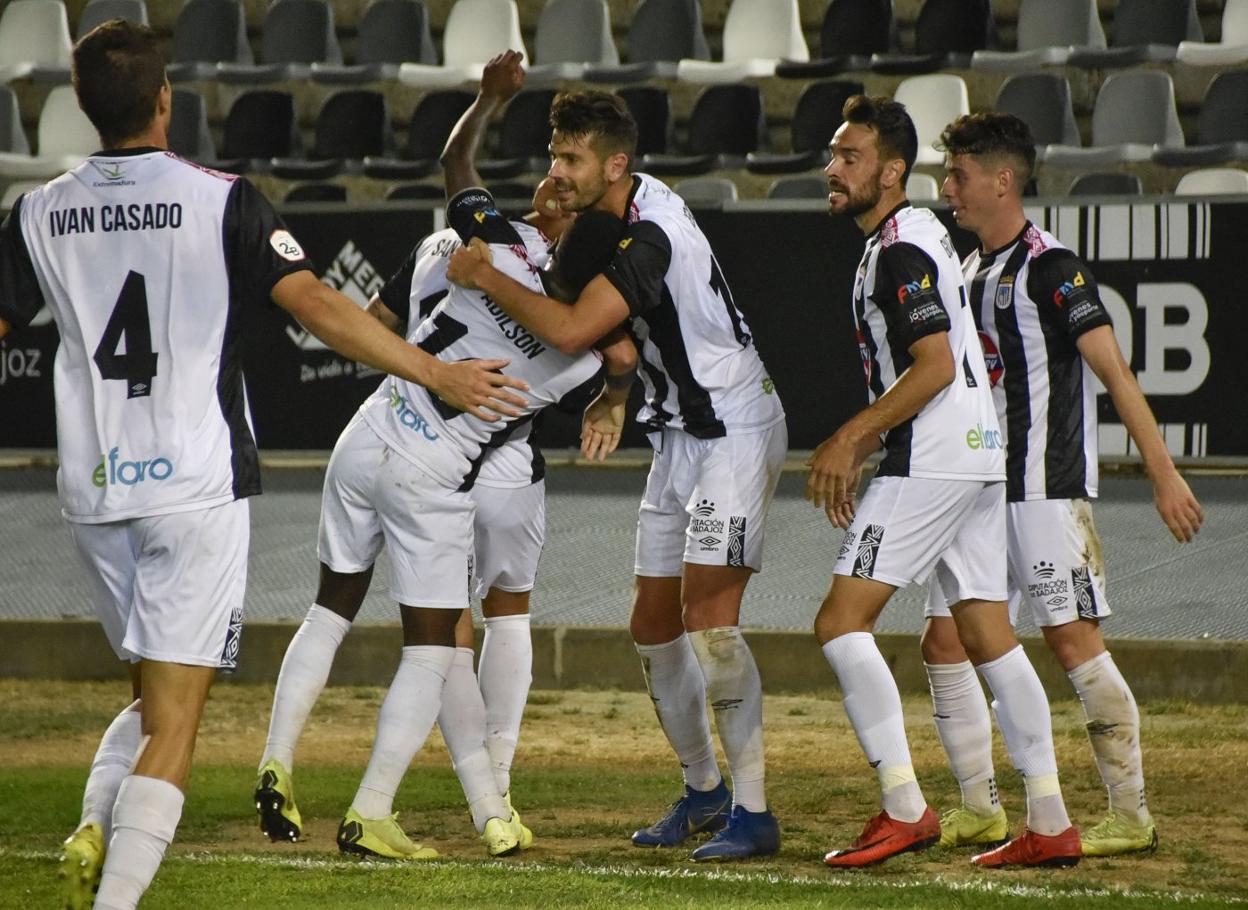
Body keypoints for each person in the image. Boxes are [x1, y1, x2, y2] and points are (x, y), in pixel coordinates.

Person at [0, 21, 528, 910]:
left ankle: (95, 819)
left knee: (153, 698)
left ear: (83, 106)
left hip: (93, 495)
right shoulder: (222, 201)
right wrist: (436, 372)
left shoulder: (36, 211)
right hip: (193, 486)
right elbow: (316, 304)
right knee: (178, 720)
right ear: (165, 99)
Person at [253, 52, 635, 854]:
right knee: (443, 643)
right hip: (441, 476)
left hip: (368, 433)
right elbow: (610, 351)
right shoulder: (581, 354)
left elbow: (456, 165)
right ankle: (385, 807)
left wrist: (488, 101)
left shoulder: (484, 242)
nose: (554, 189)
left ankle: (276, 758)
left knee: (330, 607)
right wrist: (617, 389)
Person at [447, 86, 788, 861]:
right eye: (553, 155)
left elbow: (572, 327)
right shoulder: (608, 216)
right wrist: (616, 394)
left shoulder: (651, 235)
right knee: (652, 624)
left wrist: (486, 277)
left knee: (710, 620)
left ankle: (755, 812)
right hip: (679, 434)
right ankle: (704, 791)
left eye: (571, 158)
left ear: (616, 164)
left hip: (733, 429)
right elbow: (614, 336)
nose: (556, 172)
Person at [810, 94, 1080, 869]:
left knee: (840, 623)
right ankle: (1051, 820)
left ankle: (905, 807)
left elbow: (931, 366)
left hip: (932, 456)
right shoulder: (922, 232)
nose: (833, 169)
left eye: (850, 157)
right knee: (989, 636)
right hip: (979, 453)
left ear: (892, 172)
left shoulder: (897, 250)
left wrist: (852, 437)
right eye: (834, 155)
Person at [926, 111, 1204, 857]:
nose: (947, 188)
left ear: (1002, 180)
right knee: (945, 641)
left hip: (1045, 490)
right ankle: (980, 808)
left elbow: (1116, 373)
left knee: (1073, 640)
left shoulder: (1054, 268)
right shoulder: (969, 268)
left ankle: (1131, 815)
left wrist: (1164, 474)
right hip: (979, 491)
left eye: (958, 175)